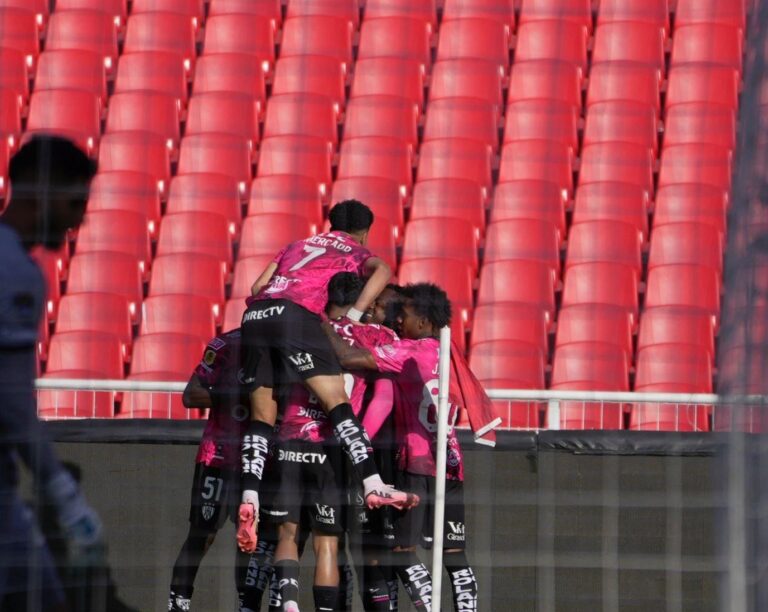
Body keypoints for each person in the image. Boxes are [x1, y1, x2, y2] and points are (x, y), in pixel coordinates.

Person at [237, 200, 418, 556]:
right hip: (296, 316)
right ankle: (372, 483)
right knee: (337, 401)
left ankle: (250, 496)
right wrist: (352, 315)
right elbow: (383, 270)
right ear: (366, 231)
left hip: (257, 316)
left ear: (329, 222)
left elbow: (258, 287)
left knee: (261, 418)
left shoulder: (295, 245)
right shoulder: (355, 250)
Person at [323, 283, 480, 612]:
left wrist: (321, 322)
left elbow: (347, 356)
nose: (396, 320)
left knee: (401, 553)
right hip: (452, 463)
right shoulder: (452, 354)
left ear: (422, 322)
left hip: (415, 463)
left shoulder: (407, 350)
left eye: (402, 315)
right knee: (455, 555)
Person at [0, 135, 103, 610]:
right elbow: (15, 407)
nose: (78, 219)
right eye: (75, 201)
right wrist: (63, 493)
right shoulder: (15, 272)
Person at [168, 326, 274, 612]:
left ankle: (246, 606)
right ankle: (178, 604)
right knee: (202, 535)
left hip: (261, 460)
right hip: (218, 457)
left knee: (251, 540)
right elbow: (191, 395)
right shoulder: (226, 344)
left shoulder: (287, 345)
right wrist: (240, 395)